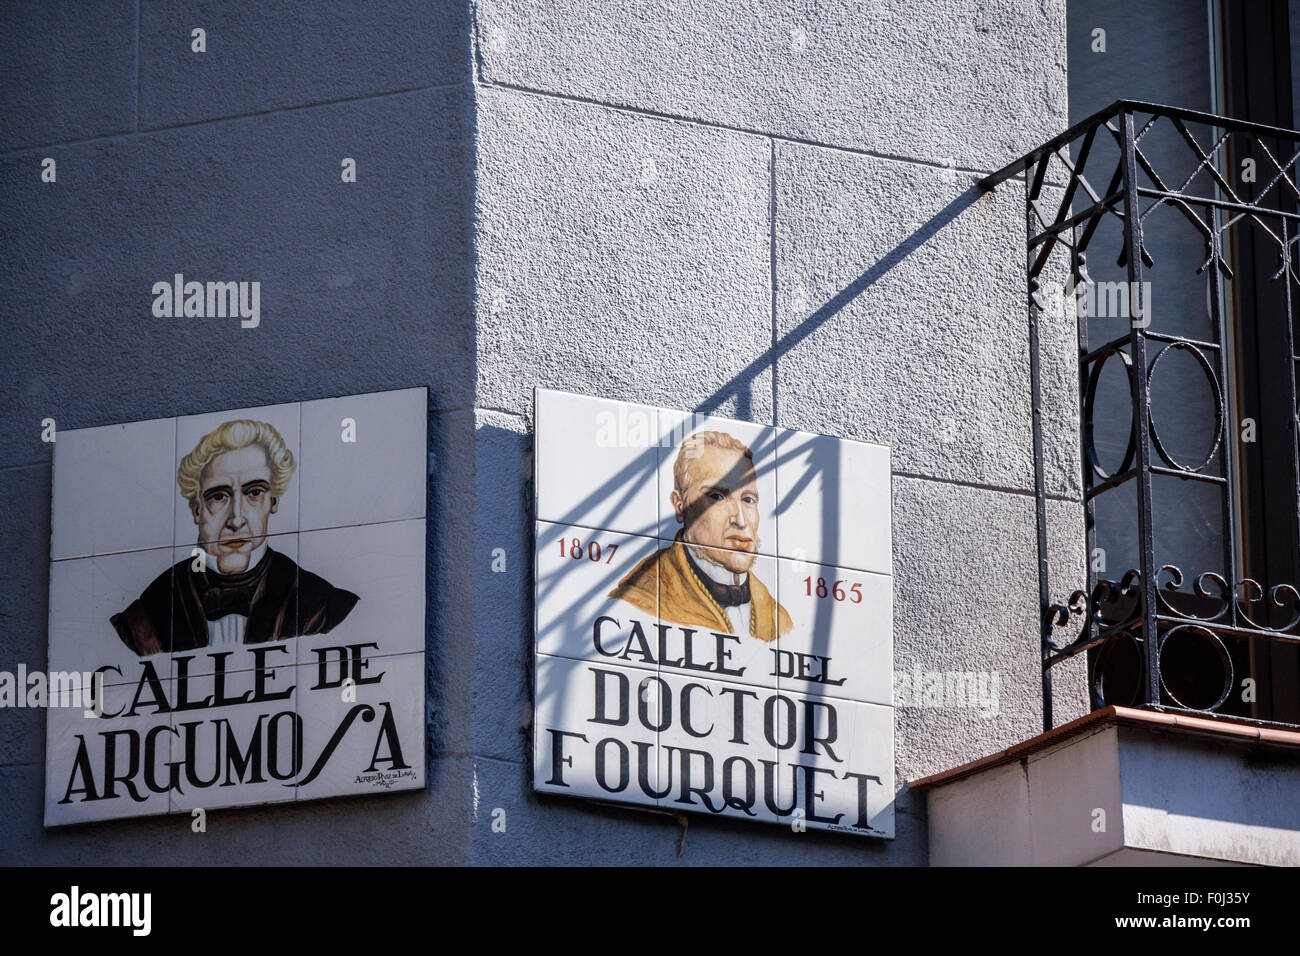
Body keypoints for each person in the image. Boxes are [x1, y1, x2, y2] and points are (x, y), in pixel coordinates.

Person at [111, 419, 358, 655]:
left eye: (254, 493)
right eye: (219, 496)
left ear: (273, 502)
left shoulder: (320, 605)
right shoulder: (148, 614)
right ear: (196, 509)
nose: (236, 519)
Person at [609, 430, 791, 642]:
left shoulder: (778, 618)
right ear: (680, 505)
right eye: (718, 496)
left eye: (748, 500)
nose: (741, 521)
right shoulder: (641, 598)